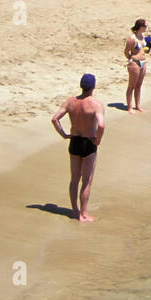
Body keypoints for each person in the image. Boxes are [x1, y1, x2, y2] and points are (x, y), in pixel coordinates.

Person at [51, 74, 105, 223]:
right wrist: (98, 141)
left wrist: (64, 135)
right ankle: (83, 213)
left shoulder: (70, 102)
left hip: (74, 141)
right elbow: (100, 125)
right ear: (93, 87)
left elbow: (55, 119)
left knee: (74, 179)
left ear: (81, 86)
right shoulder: (96, 104)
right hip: (88, 143)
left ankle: (74, 210)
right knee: (87, 181)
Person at [123, 19, 151, 114]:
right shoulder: (132, 38)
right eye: (145, 26)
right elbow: (126, 51)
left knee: (139, 85)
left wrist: (150, 52)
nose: (146, 28)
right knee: (131, 86)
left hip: (143, 62)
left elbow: (144, 49)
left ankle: (137, 105)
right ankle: (129, 107)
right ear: (140, 27)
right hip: (134, 62)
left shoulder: (143, 37)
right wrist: (131, 59)